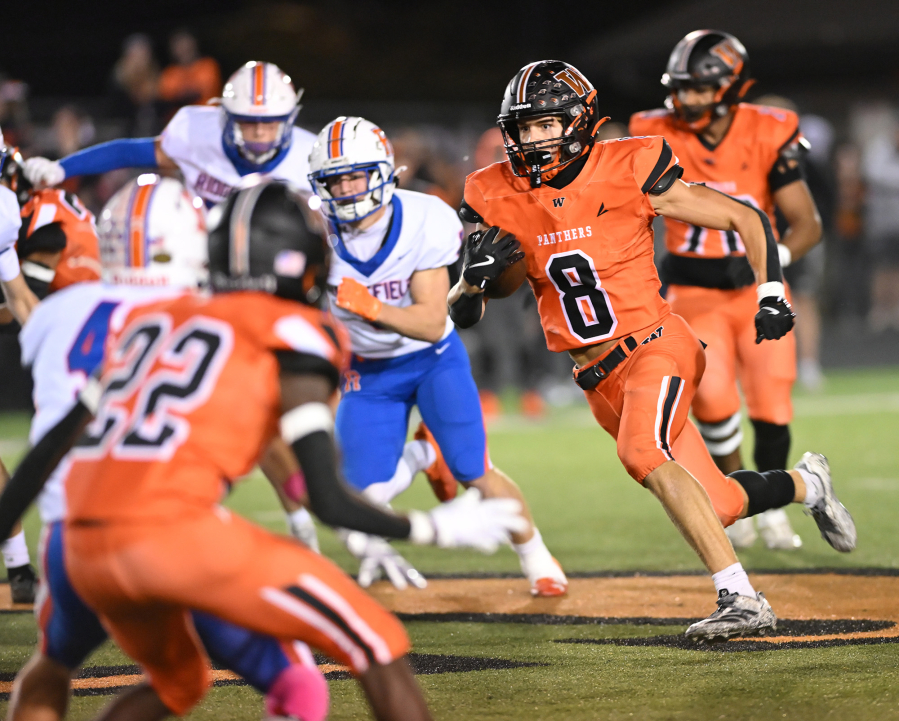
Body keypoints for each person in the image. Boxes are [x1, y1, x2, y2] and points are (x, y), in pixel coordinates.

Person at [0, 179, 524, 721]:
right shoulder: (293, 330)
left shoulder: (152, 325)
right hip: (172, 537)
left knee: (176, 680)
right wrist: (431, 527)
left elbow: (48, 450)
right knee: (375, 639)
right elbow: (327, 497)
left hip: (77, 544)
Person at [448, 60, 856, 641]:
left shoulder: (629, 164)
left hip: (654, 345)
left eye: (545, 124)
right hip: (596, 377)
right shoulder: (495, 191)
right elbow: (474, 307)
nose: (532, 139)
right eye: (524, 128)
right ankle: (808, 484)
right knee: (719, 504)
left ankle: (742, 598)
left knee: (642, 450)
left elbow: (744, 217)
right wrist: (472, 282)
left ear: (579, 121)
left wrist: (771, 293)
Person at [1, 174, 335, 721]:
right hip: (167, 525)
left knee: (57, 660)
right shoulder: (200, 313)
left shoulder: (56, 314)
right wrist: (309, 494)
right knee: (297, 677)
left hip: (70, 531)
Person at [308, 117, 567, 595]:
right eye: (334, 180)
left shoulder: (421, 218)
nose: (344, 190)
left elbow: (430, 323)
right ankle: (424, 453)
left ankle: (538, 558)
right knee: (356, 502)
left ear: (381, 173)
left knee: (474, 471)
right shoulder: (312, 233)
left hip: (431, 360)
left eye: (354, 177)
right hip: (366, 370)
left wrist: (369, 306)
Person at [629, 31, 824, 550]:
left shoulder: (767, 129)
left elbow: (806, 222)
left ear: (732, 88)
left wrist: (771, 267)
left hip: (756, 289)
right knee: (713, 403)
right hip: (691, 289)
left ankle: (774, 506)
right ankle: (743, 496)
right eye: (681, 88)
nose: (687, 99)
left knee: (772, 401)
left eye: (699, 88)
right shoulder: (651, 131)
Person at [0, 146, 102, 603]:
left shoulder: (32, 220)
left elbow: (23, 303)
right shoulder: (18, 209)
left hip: (83, 328)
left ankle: (47, 566)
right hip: (73, 321)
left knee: (69, 452)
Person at [23, 61, 315, 208]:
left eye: (271, 122)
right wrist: (62, 168)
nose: (260, 132)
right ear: (226, 118)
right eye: (249, 122)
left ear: (289, 119)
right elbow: (128, 152)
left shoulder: (313, 158)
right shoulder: (198, 132)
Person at [158, 29, 222, 114]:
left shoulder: (208, 65)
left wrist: (180, 95)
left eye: (186, 45)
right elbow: (167, 98)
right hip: (180, 118)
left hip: (208, 115)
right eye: (179, 47)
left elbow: (204, 91)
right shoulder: (169, 73)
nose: (184, 50)